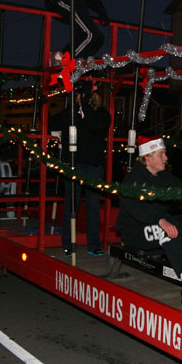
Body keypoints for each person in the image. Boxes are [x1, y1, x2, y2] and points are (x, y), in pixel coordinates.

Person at [115, 137, 182, 301]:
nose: (166, 158)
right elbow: (136, 208)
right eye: (162, 154)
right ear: (148, 157)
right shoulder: (133, 179)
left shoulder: (166, 178)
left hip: (162, 222)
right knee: (167, 227)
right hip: (134, 231)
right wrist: (160, 220)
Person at [61, 84, 111, 256]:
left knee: (93, 205)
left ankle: (93, 244)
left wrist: (85, 106)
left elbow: (93, 125)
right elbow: (60, 123)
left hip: (93, 164)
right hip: (75, 163)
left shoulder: (102, 114)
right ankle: (68, 243)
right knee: (71, 205)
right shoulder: (72, 113)